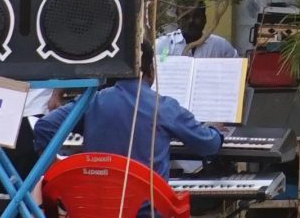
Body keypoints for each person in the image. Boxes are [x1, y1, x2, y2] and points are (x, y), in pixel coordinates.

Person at [81, 42, 224, 177]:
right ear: (151, 70)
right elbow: (209, 145)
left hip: (97, 200)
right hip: (148, 202)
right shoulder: (164, 107)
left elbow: (57, 125)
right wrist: (212, 129)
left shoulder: (90, 102)